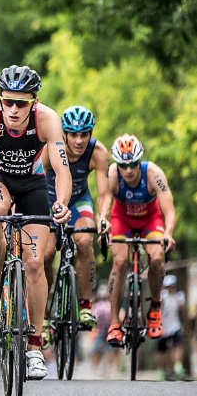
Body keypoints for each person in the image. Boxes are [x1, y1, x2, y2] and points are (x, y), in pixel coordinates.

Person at [0, 65, 71, 379]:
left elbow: (61, 172)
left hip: (33, 183)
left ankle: (35, 347)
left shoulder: (48, 120)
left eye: (21, 103)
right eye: (8, 102)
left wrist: (61, 203)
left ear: (33, 103)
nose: (13, 109)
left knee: (36, 263)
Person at [41, 105, 112, 344]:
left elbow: (104, 194)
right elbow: (34, 180)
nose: (80, 140)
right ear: (64, 134)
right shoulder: (50, 149)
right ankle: (42, 314)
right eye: (74, 134)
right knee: (47, 253)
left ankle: (84, 305)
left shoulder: (98, 152)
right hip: (49, 200)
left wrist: (102, 218)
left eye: (85, 134)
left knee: (84, 240)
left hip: (79, 200)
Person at [105, 133, 176, 346]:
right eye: (122, 165)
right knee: (119, 262)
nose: (128, 170)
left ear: (140, 161)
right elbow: (106, 202)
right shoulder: (112, 174)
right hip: (122, 219)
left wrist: (168, 233)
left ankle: (155, 306)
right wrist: (103, 221)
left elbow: (169, 209)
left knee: (155, 258)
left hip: (150, 220)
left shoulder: (154, 173)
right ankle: (114, 323)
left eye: (133, 164)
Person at [156, 274, 186, 380]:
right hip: (163, 327)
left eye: (172, 286)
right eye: (168, 286)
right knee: (162, 350)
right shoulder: (162, 296)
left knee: (178, 345)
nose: (170, 288)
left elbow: (183, 312)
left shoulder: (179, 296)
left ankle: (178, 366)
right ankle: (162, 370)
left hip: (175, 326)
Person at [90, 283, 121, 378]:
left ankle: (95, 368)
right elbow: (121, 316)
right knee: (112, 349)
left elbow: (93, 319)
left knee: (96, 350)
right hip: (110, 330)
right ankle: (112, 368)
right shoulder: (111, 305)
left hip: (100, 331)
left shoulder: (96, 306)